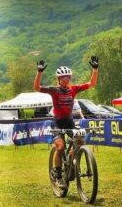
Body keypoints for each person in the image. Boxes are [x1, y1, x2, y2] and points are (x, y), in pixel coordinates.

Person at [34, 56, 99, 186]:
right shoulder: (54, 90)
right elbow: (36, 87)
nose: (67, 79)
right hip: (57, 123)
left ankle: (71, 162)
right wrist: (39, 72)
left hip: (69, 121)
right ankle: (58, 175)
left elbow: (91, 84)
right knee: (60, 146)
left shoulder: (73, 89)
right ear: (59, 79)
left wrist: (95, 70)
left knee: (80, 141)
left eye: (69, 77)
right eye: (64, 77)